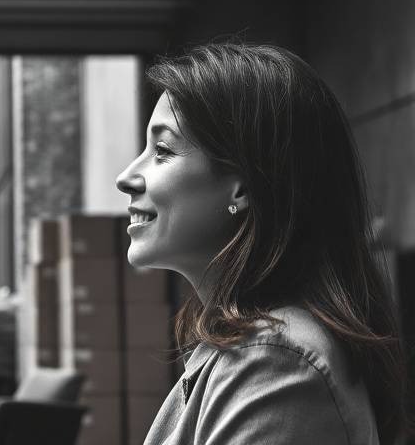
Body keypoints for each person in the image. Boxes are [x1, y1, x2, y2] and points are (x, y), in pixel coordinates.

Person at [115, 43, 407, 445]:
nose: (126, 177)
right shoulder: (251, 349)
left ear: (244, 187)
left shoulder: (275, 361)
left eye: (162, 151)